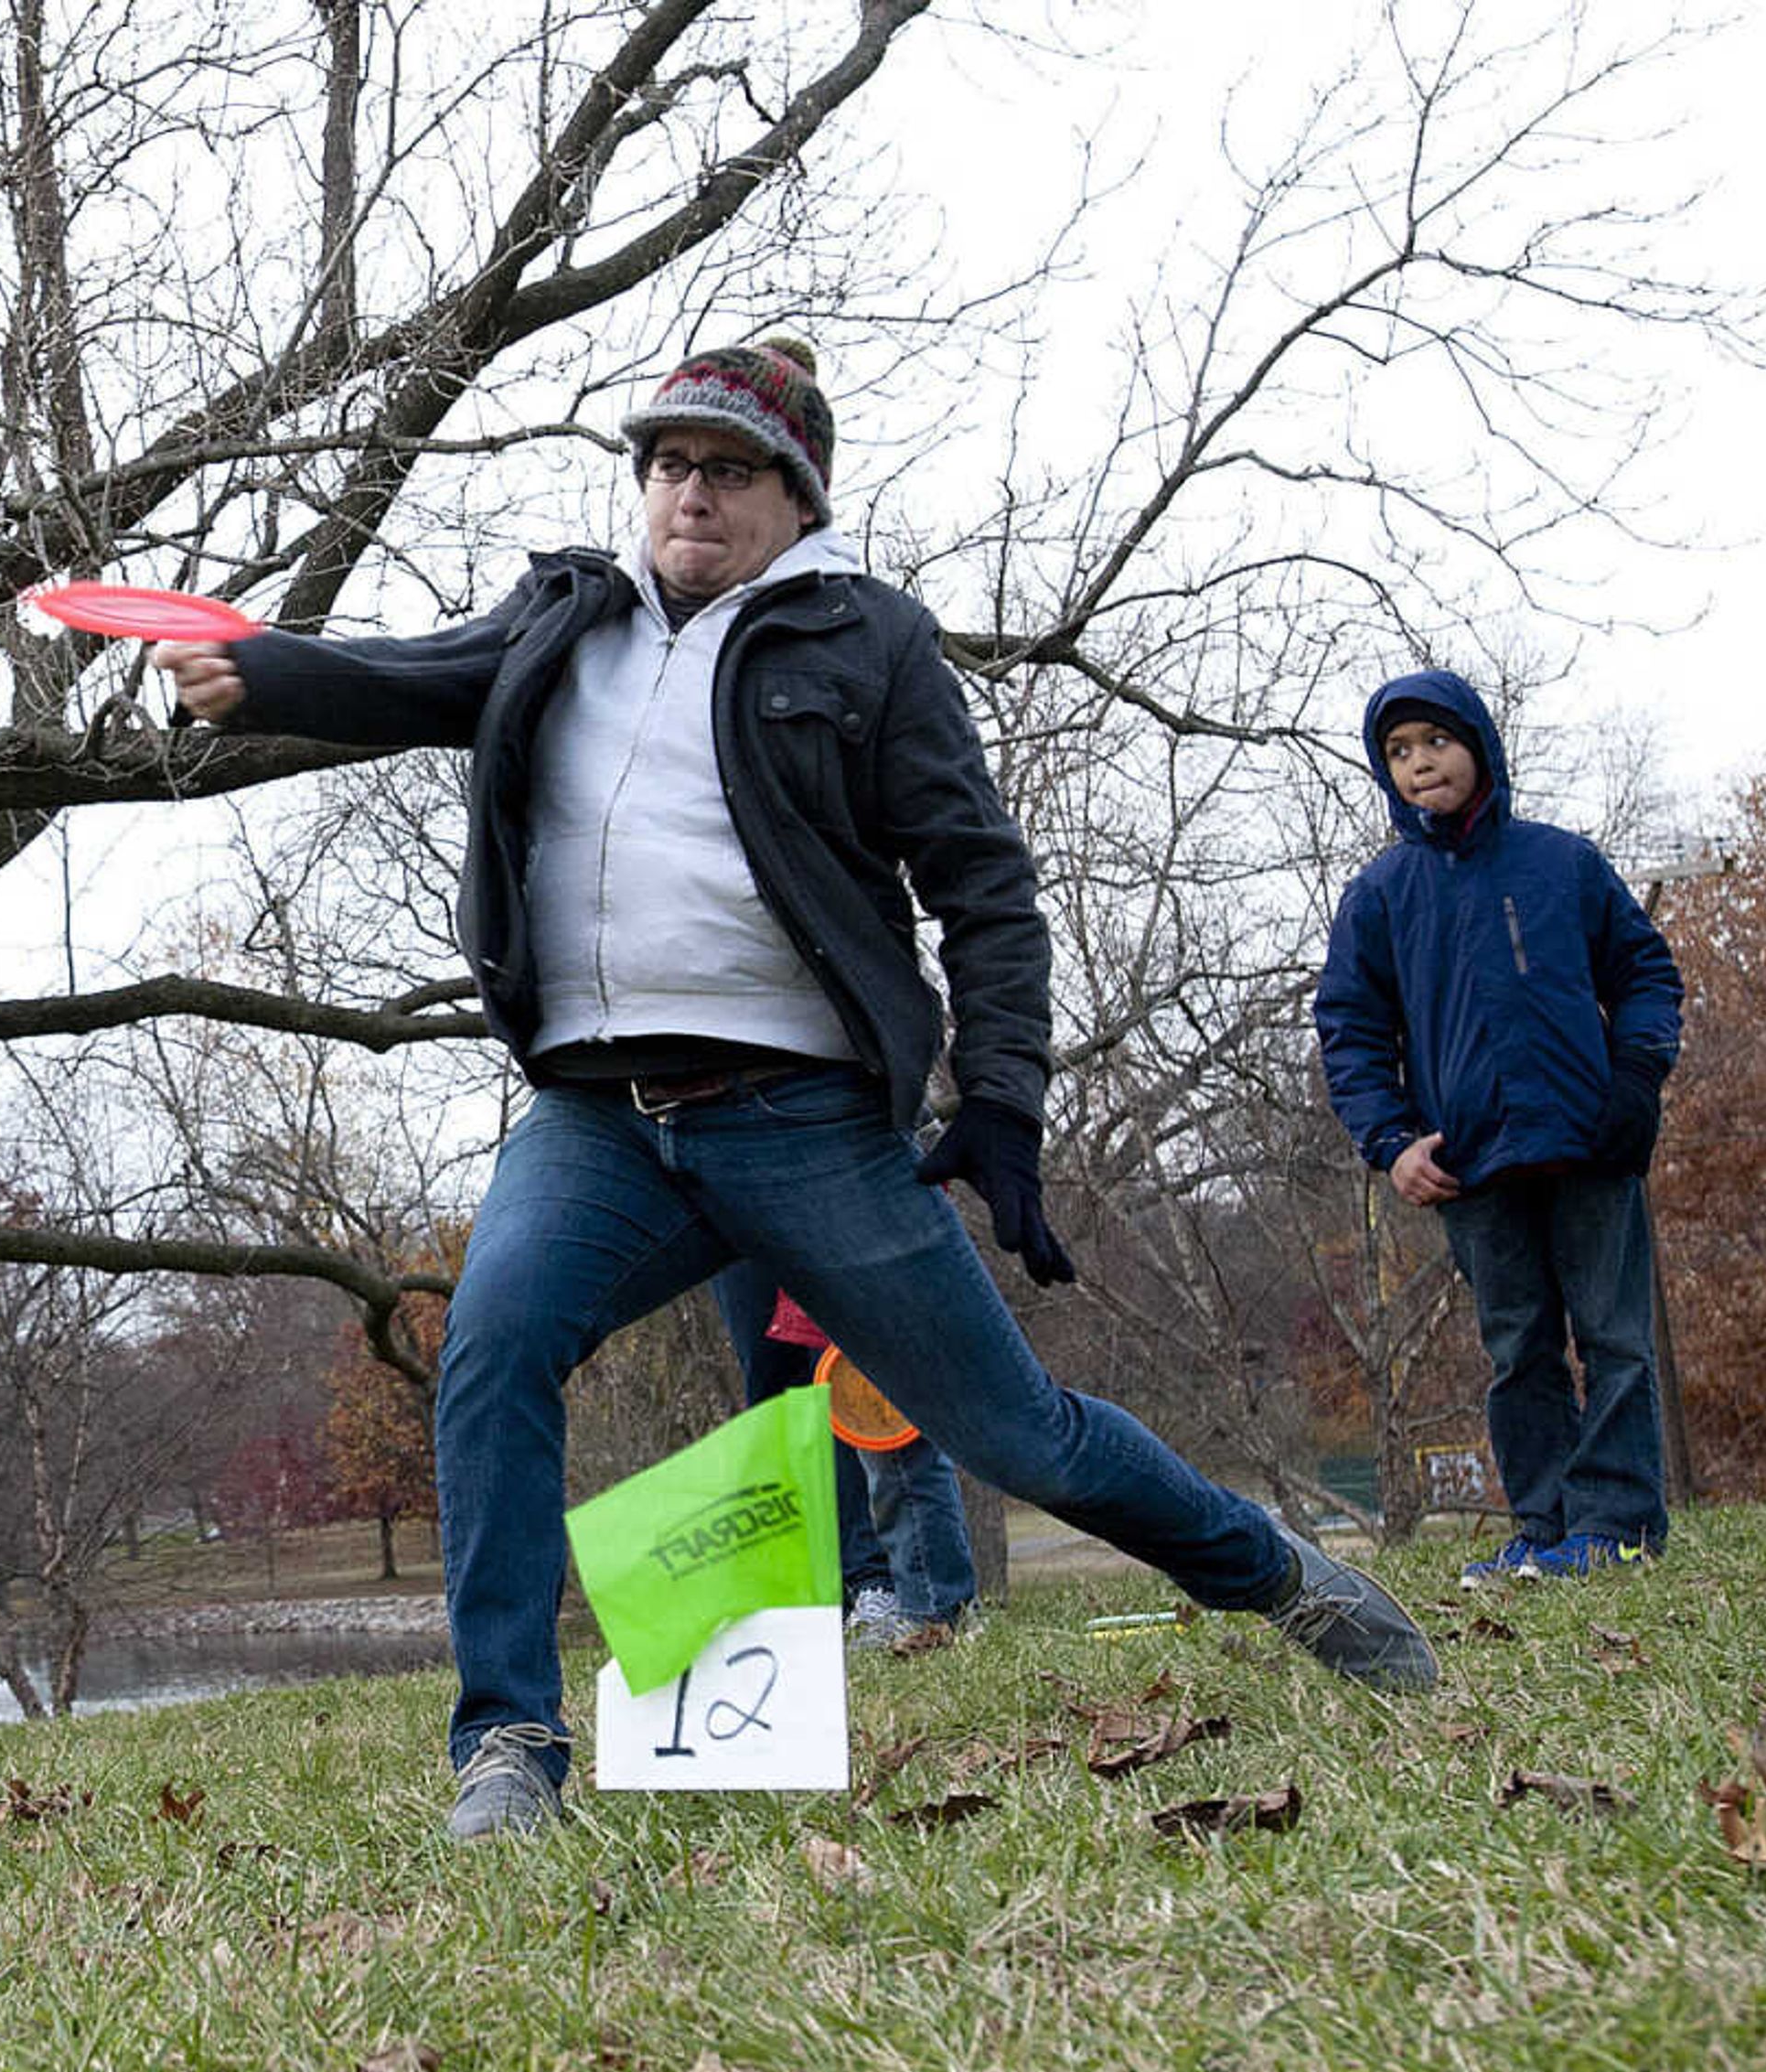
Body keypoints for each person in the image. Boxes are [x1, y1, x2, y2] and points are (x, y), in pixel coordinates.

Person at [155, 338, 1436, 1841]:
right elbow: (410, 678)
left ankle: (1277, 1573)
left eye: (730, 470)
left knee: (1020, 1433)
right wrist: (259, 671)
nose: (693, 495)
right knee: (490, 1347)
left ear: (795, 495)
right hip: (601, 1123)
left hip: (804, 1119)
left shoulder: (865, 641)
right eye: (671, 465)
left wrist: (1005, 1095)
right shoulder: (567, 614)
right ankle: (506, 1747)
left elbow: (982, 881)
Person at [1313, 669, 1684, 1588]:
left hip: (1592, 1143)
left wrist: (1637, 1077)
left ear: (1478, 745)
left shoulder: (1563, 862)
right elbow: (1350, 1029)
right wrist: (1392, 1142)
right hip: (1469, 1162)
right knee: (1518, 1348)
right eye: (1397, 752)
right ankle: (1547, 1526)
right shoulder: (1383, 893)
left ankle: (1619, 1525)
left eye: (1434, 742)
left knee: (1615, 1336)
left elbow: (1645, 972)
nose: (1418, 764)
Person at [710, 1269, 978, 1643]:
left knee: (866, 1392)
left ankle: (918, 1598)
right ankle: (829, 1600)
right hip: (730, 1231)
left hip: (829, 1221)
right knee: (780, 1396)